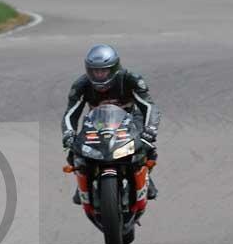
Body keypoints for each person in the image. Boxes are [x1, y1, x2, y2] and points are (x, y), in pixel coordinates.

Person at [61, 44, 160, 203]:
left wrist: (151, 129)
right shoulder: (81, 85)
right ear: (88, 70)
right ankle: (84, 183)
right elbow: (71, 113)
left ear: (114, 69)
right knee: (74, 152)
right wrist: (68, 133)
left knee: (147, 147)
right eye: (95, 71)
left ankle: (147, 179)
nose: (99, 75)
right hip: (98, 121)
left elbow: (149, 106)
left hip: (131, 118)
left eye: (103, 71)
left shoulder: (130, 79)